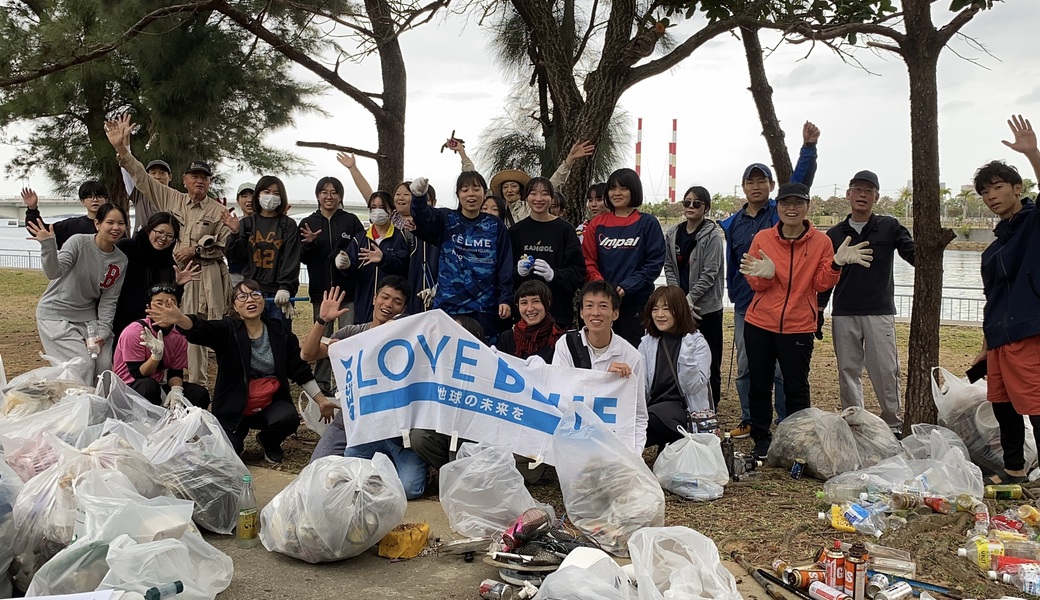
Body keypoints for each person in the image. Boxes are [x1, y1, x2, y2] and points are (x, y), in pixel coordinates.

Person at [739, 182, 871, 459]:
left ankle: (799, 439)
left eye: (798, 203)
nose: (791, 208)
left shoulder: (821, 242)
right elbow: (754, 283)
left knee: (796, 385)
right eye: (786, 203)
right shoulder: (763, 239)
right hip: (760, 322)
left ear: (807, 207)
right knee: (759, 383)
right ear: (778, 207)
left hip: (799, 325)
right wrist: (766, 276)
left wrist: (836, 264)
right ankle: (761, 438)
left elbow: (821, 283)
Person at [147, 279, 333, 463]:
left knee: (288, 418)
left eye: (255, 294)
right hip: (234, 408)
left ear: (263, 300)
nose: (250, 300)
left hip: (269, 403)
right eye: (242, 296)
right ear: (235, 306)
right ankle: (234, 440)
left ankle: (269, 441)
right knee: (228, 455)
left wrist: (321, 400)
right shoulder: (228, 330)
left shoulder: (279, 332)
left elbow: (298, 369)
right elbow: (203, 329)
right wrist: (180, 319)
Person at [106, 114, 231, 387]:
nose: (200, 181)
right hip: (173, 278)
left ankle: (213, 384)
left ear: (210, 182)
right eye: (195, 176)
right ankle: (181, 381)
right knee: (175, 327)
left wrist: (197, 250)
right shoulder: (170, 197)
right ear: (183, 179)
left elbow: (224, 246)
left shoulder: (219, 211)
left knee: (208, 329)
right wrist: (122, 150)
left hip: (205, 276)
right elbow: (142, 178)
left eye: (205, 178)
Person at [722, 121, 821, 438]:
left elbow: (799, 183)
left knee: (782, 371)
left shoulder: (779, 213)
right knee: (747, 368)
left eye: (761, 181)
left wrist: (808, 148)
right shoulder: (730, 223)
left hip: (782, 307)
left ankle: (785, 424)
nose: (756, 187)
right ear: (743, 188)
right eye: (750, 182)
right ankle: (751, 419)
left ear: (770, 186)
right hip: (745, 305)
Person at [299, 279, 428, 498]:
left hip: (395, 431)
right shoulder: (352, 333)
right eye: (385, 297)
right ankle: (372, 470)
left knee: (409, 488)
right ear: (374, 299)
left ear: (404, 309)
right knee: (316, 473)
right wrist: (323, 320)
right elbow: (308, 354)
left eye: (397, 302)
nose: (388, 304)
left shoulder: (409, 339)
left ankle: (383, 468)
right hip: (352, 424)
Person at [970, 114, 1040, 485]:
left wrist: (1032, 153)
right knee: (1003, 404)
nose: (991, 196)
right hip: (999, 337)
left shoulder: (1032, 222)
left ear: (1016, 187)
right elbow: (992, 298)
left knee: (1036, 404)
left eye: (997, 187)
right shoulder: (995, 246)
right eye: (985, 191)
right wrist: (986, 344)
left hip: (1029, 331)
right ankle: (1014, 469)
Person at [818, 170, 915, 435]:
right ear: (848, 194)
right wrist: (819, 309)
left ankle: (893, 422)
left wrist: (931, 251)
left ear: (877, 197)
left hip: (879, 311)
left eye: (868, 191)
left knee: (886, 370)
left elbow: (913, 253)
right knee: (848, 370)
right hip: (844, 312)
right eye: (857, 189)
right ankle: (854, 421)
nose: (862, 195)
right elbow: (827, 274)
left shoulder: (889, 226)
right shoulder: (834, 234)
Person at [30, 203, 129, 385]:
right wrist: (48, 245)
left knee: (104, 366)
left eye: (121, 223)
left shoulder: (120, 260)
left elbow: (109, 300)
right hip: (56, 315)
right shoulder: (78, 242)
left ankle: (99, 408)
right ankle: (77, 409)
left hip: (87, 319)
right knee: (81, 366)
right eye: (110, 222)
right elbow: (54, 272)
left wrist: (103, 333)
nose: (116, 228)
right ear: (98, 224)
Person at [409, 173, 513, 345]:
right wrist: (419, 197)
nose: (470, 194)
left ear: (484, 193)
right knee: (443, 353)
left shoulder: (495, 225)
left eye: (476, 189)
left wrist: (505, 298)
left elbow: (505, 265)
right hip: (448, 306)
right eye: (465, 190)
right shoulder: (446, 219)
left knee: (482, 357)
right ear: (458, 194)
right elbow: (422, 217)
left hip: (484, 309)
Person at [552, 280, 648, 451]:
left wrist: (635, 454)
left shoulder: (632, 357)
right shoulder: (566, 345)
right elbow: (560, 399)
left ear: (615, 313)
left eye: (603, 306)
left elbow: (638, 414)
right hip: (574, 438)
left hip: (612, 443)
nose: (595, 313)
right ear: (581, 312)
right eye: (589, 306)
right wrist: (605, 379)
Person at [581, 168, 666, 347]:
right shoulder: (597, 224)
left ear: (633, 191)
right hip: (602, 302)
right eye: (612, 188)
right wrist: (602, 287)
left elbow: (654, 263)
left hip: (636, 302)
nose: (617, 193)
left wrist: (626, 287)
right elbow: (587, 259)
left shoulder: (647, 223)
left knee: (634, 351)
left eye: (623, 188)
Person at [299, 176, 365, 396]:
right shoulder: (308, 222)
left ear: (340, 196)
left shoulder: (351, 221)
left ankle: (349, 383)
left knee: (349, 338)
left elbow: (359, 252)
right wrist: (309, 245)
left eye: (334, 192)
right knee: (322, 339)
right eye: (324, 192)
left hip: (348, 291)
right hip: (321, 292)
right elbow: (302, 258)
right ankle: (322, 385)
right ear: (318, 195)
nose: (329, 196)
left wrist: (348, 262)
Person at [663, 186, 724, 408]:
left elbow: (711, 273)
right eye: (687, 202)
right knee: (681, 356)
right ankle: (682, 402)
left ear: (705, 208)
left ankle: (711, 405)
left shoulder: (713, 237)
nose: (690, 207)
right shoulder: (672, 234)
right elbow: (669, 265)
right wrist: (677, 296)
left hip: (706, 309)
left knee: (709, 359)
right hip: (680, 308)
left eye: (696, 203)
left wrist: (689, 299)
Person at [112, 283, 210, 408]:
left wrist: (176, 390)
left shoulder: (179, 334)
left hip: (159, 383)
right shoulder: (134, 331)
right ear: (148, 307)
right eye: (159, 303)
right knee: (148, 386)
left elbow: (175, 371)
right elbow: (138, 374)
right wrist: (156, 357)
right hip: (130, 387)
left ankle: (177, 423)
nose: (165, 308)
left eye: (171, 303)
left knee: (199, 393)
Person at [638, 286, 712, 448]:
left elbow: (692, 387)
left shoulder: (697, 343)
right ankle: (670, 447)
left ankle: (678, 444)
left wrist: (686, 357)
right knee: (638, 422)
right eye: (655, 309)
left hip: (684, 408)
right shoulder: (647, 343)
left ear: (679, 311)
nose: (660, 315)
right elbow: (641, 385)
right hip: (654, 405)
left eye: (666, 309)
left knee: (654, 417)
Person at [224, 176, 301, 324]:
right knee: (250, 335)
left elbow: (292, 257)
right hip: (251, 290)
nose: (271, 197)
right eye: (266, 192)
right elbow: (236, 257)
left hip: (278, 292)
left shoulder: (288, 224)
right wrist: (234, 234)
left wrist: (285, 287)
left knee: (279, 336)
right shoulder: (246, 224)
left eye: (276, 193)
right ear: (258, 194)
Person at [509, 177, 586, 328]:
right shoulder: (515, 231)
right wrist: (517, 272)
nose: (538, 199)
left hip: (558, 315)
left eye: (544, 194)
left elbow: (578, 273)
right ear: (526, 197)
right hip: (525, 314)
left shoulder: (565, 230)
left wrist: (554, 274)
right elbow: (504, 274)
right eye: (533, 193)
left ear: (551, 198)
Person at [113, 212, 199, 338]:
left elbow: (169, 301)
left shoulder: (169, 264)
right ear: (149, 230)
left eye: (170, 236)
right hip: (117, 320)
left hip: (149, 327)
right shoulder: (126, 247)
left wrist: (178, 285)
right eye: (160, 232)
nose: (163, 238)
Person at [333, 191, 410, 323]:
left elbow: (405, 266)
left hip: (391, 304)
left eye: (382, 207)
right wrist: (345, 265)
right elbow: (352, 271)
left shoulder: (400, 237)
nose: (377, 211)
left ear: (391, 210)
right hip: (364, 301)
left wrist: (383, 259)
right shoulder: (360, 238)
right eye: (373, 207)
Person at [480, 139, 595, 225]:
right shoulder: (499, 209)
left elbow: (553, 183)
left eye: (513, 186)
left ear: (521, 189)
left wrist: (569, 161)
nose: (509, 190)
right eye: (505, 187)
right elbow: (477, 190)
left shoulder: (529, 206)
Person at [497, 280, 566, 363]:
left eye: (536, 301)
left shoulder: (560, 338)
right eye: (524, 303)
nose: (530, 309)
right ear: (517, 306)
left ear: (547, 303)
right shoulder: (507, 339)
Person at [22, 182, 106, 250]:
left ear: (106, 199)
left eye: (99, 196)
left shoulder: (115, 225)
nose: (95, 200)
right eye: (89, 197)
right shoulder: (71, 226)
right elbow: (41, 230)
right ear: (82, 201)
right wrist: (32, 208)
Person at [122, 158, 172, 232]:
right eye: (153, 173)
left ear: (170, 177)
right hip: (141, 241)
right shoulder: (139, 194)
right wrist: (125, 149)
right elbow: (126, 169)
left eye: (162, 173)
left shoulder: (177, 198)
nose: (157, 177)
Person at [228, 182, 255, 286]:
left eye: (253, 196)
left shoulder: (267, 223)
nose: (249, 200)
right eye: (244, 196)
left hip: (260, 276)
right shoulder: (232, 223)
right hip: (236, 275)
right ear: (238, 201)